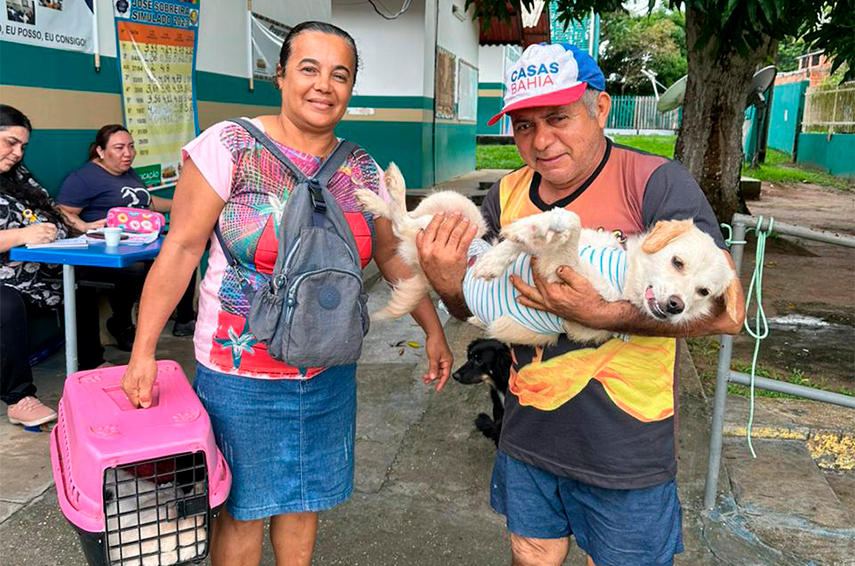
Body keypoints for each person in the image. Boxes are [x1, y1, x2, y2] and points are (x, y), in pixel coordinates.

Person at [121, 21, 453, 566]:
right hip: (240, 372)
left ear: (351, 88)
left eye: (340, 75)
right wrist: (143, 355)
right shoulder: (227, 147)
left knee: (304, 502)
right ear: (279, 75)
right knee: (246, 509)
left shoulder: (361, 168)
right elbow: (180, 250)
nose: (324, 85)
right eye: (309, 68)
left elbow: (392, 257)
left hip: (329, 365)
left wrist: (434, 330)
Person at [417, 43, 746, 566]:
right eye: (524, 125)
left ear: (600, 108)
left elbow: (729, 312)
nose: (541, 141)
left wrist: (603, 314)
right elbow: (474, 309)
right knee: (530, 552)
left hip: (625, 449)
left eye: (557, 118)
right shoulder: (505, 194)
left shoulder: (656, 184)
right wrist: (446, 281)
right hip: (528, 432)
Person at [0, 105, 106, 427]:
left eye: (23, 146)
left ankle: (91, 367)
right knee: (5, 304)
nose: (18, 153)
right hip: (6, 278)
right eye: (10, 143)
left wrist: (85, 227)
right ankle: (19, 398)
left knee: (82, 277)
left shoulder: (17, 175)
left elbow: (52, 209)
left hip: (37, 269)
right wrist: (23, 234)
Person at [56, 125, 197, 349]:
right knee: (136, 269)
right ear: (101, 152)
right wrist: (84, 225)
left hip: (140, 241)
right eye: (119, 148)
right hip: (107, 250)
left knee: (183, 254)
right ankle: (122, 323)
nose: (128, 153)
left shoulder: (128, 172)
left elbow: (146, 202)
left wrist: (183, 205)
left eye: (131, 147)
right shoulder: (83, 178)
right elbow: (61, 211)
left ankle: (185, 319)